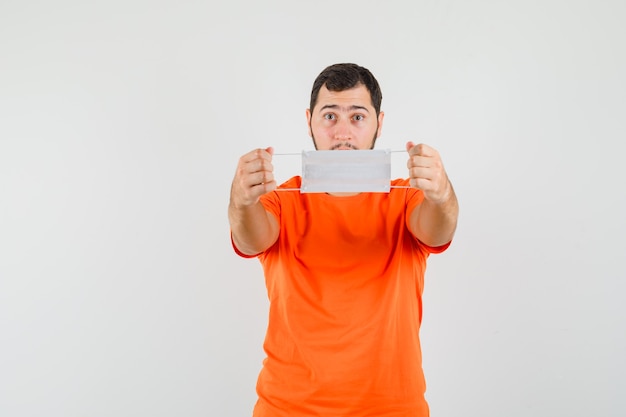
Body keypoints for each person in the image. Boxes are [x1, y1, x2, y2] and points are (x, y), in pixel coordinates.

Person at [228, 63, 459, 417]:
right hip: (288, 408)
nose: (343, 132)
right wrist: (241, 200)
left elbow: (438, 229)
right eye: (330, 116)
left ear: (379, 123)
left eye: (357, 117)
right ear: (310, 121)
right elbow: (250, 240)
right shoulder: (281, 198)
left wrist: (441, 194)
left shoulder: (407, 197)